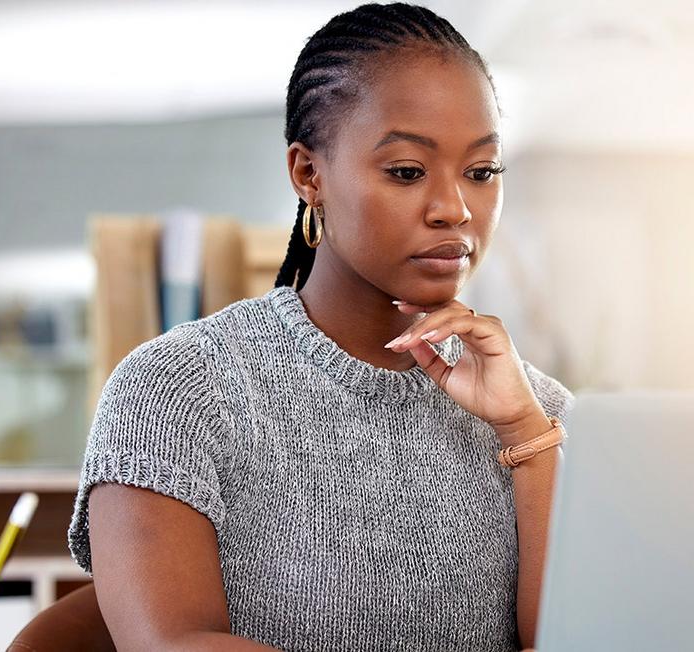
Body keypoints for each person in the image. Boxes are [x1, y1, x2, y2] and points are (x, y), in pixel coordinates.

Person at [68, 3, 574, 650]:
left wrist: (526, 435)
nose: (455, 209)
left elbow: (574, 636)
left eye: (481, 173)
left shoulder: (545, 414)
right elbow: (171, 645)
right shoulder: (176, 389)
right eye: (406, 172)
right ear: (309, 174)